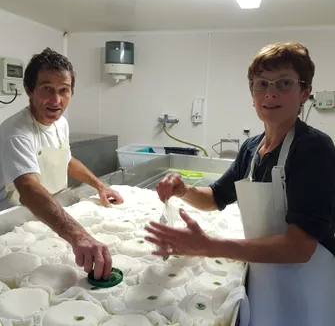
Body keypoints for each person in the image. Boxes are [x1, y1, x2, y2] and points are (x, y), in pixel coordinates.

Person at [145, 42, 335, 326]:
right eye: (261, 84)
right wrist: (183, 190)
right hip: (264, 271)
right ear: (252, 93)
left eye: (284, 83)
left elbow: (300, 247)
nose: (270, 93)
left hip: (308, 279)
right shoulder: (251, 148)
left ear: (305, 92)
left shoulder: (313, 148)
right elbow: (215, 197)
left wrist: (209, 246)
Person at [0, 48, 124, 280]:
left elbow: (65, 159)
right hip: (14, 224)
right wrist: (80, 236)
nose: (56, 100)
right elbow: (28, 190)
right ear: (29, 90)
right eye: (47, 89)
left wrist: (100, 186)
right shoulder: (16, 133)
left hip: (50, 214)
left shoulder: (61, 123)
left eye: (63, 90)